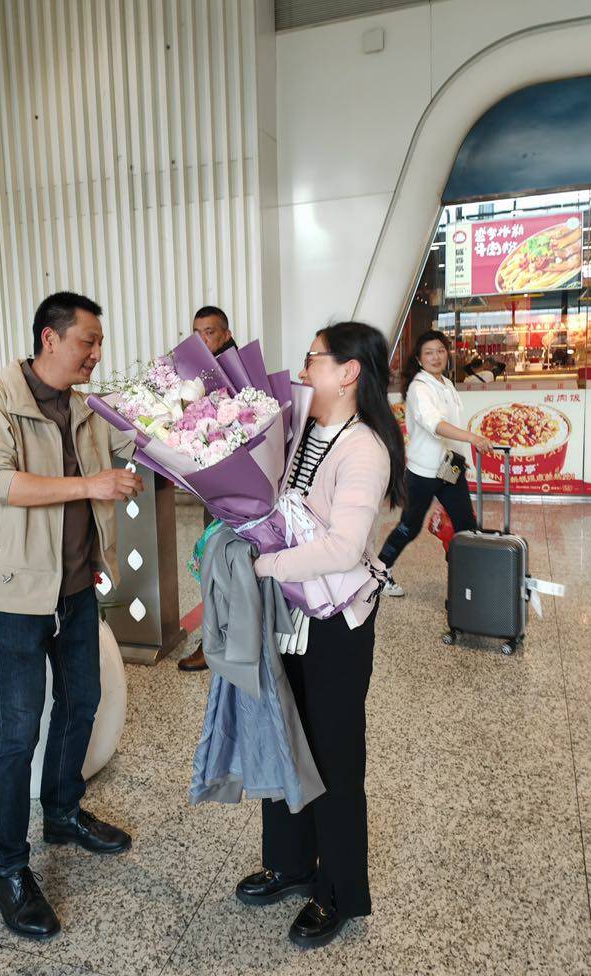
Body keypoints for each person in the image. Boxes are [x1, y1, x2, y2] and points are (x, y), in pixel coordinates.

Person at [0, 292, 144, 941]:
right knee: (14, 733)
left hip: (75, 588)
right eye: (88, 340)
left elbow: (142, 443)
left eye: (99, 342)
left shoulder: (86, 409)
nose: (96, 353)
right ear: (50, 338)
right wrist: (90, 485)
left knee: (81, 703)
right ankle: (7, 869)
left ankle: (62, 813)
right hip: (16, 593)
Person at [236, 321, 406, 949]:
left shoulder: (363, 449)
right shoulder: (303, 432)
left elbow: (342, 548)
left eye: (313, 359)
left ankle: (336, 889)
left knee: (333, 757)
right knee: (286, 738)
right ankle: (289, 863)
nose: (303, 369)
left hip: (335, 624)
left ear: (348, 372)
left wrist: (266, 565)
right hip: (289, 616)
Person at [378, 329, 493, 597]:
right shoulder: (419, 388)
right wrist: (473, 438)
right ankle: (380, 572)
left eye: (440, 351)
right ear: (419, 359)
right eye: (429, 353)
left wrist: (463, 457)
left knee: (466, 526)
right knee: (409, 527)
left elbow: (451, 425)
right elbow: (436, 425)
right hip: (423, 473)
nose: (436, 357)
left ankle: (465, 583)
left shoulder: (445, 383)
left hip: (450, 467)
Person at [178, 304, 238, 672]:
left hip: (240, 489)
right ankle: (215, 640)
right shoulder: (193, 375)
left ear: (226, 334)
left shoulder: (240, 372)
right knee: (213, 565)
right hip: (211, 486)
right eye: (197, 333)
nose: (202, 339)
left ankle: (224, 641)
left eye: (210, 332)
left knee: (231, 567)